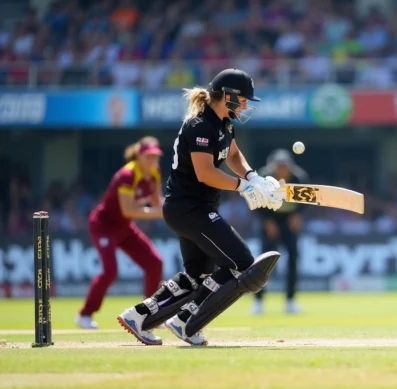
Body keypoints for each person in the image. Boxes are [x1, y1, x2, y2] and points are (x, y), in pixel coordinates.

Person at [117, 68, 285, 346]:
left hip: (192, 208)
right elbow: (205, 173)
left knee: (198, 276)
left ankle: (139, 315)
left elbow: (232, 154)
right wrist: (243, 188)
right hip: (189, 208)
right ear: (227, 96)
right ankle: (187, 320)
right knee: (240, 263)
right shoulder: (200, 126)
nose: (245, 105)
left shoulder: (223, 123)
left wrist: (252, 176)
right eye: (243, 99)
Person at [76, 137, 165, 329]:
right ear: (139, 155)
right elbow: (129, 211)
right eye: (148, 157)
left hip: (124, 227)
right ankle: (84, 315)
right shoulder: (127, 175)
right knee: (110, 272)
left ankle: (148, 313)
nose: (152, 161)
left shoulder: (155, 172)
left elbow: (158, 203)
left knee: (154, 263)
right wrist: (159, 213)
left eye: (155, 157)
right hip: (103, 226)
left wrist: (173, 210)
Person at [252, 149, 308, 315]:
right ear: (273, 166)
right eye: (279, 166)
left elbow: (305, 200)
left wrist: (297, 215)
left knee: (293, 260)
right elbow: (255, 201)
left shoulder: (298, 178)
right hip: (270, 221)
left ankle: (290, 301)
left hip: (289, 222)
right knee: (263, 262)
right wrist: (267, 221)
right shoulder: (264, 179)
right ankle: (258, 301)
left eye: (285, 166)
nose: (282, 170)